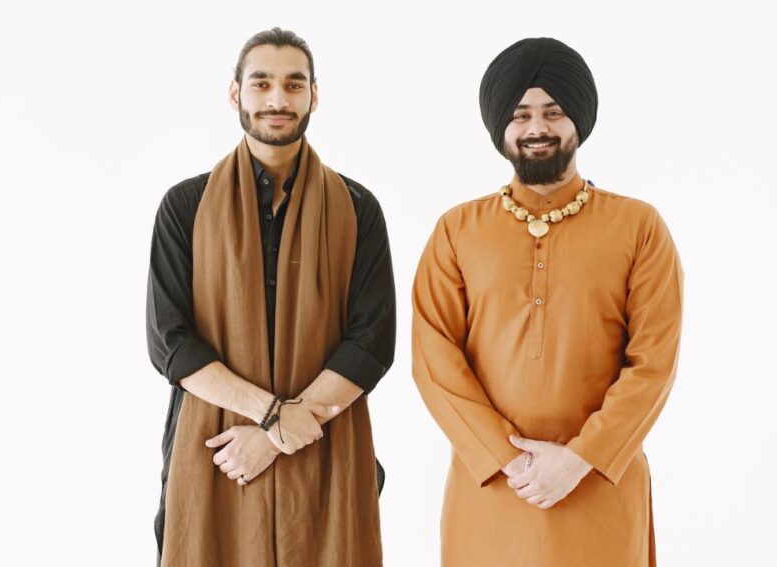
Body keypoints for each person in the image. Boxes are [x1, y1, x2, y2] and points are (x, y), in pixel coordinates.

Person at [411, 37, 682, 566]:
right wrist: (509, 460)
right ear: (501, 127)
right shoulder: (457, 230)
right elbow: (433, 357)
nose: (537, 128)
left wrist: (579, 460)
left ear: (578, 119)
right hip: (491, 488)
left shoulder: (638, 226)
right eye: (521, 114)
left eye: (553, 112)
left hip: (601, 482)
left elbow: (653, 365)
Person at [146, 27, 395, 566]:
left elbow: (372, 340)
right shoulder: (185, 207)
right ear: (235, 93)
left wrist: (275, 433)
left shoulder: (357, 207)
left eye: (293, 84)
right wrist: (273, 417)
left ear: (314, 95)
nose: (278, 100)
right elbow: (171, 343)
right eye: (261, 84)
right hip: (218, 450)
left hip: (328, 443)